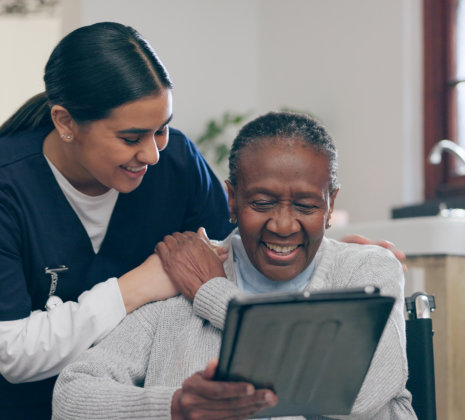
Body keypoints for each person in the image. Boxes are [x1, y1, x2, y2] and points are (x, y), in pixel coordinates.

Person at [52, 112, 416, 419]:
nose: (284, 225)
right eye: (261, 203)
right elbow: (71, 398)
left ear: (330, 204)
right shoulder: (181, 272)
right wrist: (177, 407)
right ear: (231, 199)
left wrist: (215, 293)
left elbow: (357, 395)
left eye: (306, 206)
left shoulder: (367, 271)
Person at [0, 22, 234, 419]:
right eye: (131, 138)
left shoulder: (178, 164)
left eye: (162, 129)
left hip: (149, 400)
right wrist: (134, 288)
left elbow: (234, 265)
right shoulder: (10, 187)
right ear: (65, 122)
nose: (152, 155)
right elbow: (14, 352)